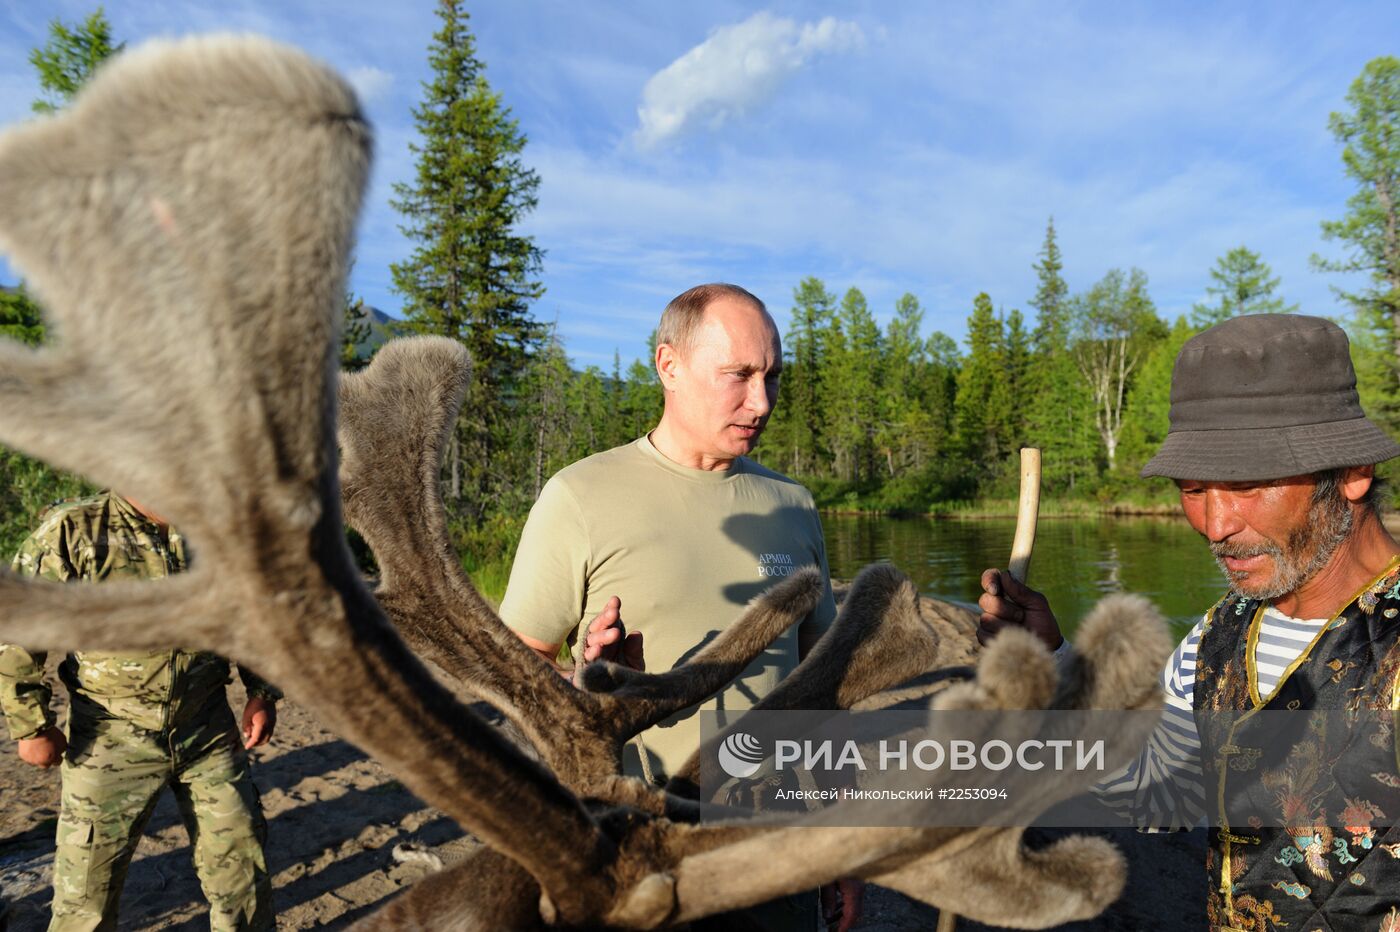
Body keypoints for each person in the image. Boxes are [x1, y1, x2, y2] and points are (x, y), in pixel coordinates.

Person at [977, 313, 1400, 931]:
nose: (1216, 524)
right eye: (1194, 488)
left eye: (1247, 485)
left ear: (1353, 471)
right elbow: (1160, 795)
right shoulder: (1220, 634)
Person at [500, 282, 858, 930]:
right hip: (636, 848)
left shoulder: (792, 505)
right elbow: (511, 668)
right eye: (739, 375)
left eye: (772, 376)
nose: (762, 401)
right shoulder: (580, 497)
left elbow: (821, 687)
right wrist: (592, 687)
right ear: (669, 365)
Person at [0, 490, 279, 932]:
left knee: (242, 873)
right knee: (85, 898)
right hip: (109, 736)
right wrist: (31, 724)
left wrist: (262, 690)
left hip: (206, 729)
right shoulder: (75, 529)